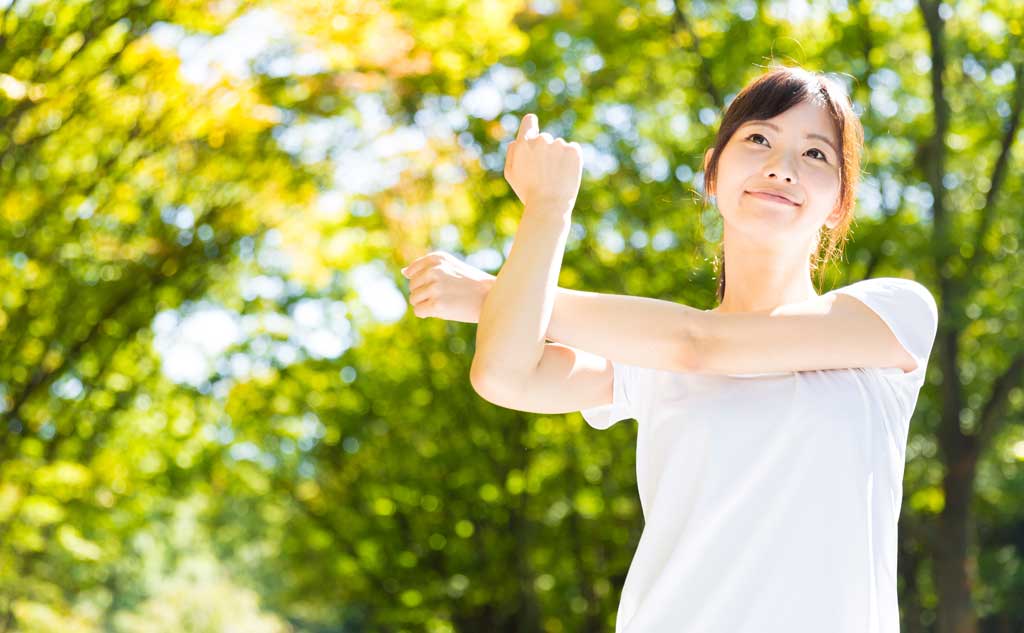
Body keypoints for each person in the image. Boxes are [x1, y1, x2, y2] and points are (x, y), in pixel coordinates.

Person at [401, 64, 938, 633]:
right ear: (712, 173)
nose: (782, 168)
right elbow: (504, 376)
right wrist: (547, 209)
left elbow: (698, 344)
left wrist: (493, 294)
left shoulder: (891, 318)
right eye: (759, 139)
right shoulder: (646, 351)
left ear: (838, 203)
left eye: (815, 155)